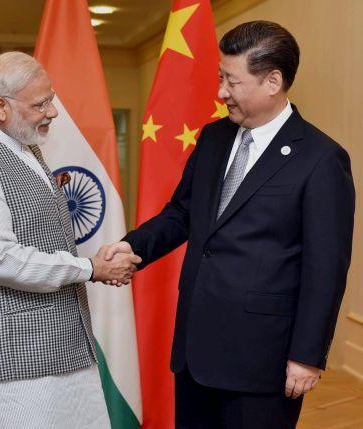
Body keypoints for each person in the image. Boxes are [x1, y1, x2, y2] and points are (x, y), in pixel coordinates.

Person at [104, 21, 355, 428]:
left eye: (231, 81)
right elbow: (182, 213)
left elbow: (326, 268)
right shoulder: (214, 137)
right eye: (221, 77)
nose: (221, 92)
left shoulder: (321, 160)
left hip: (262, 358)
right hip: (194, 349)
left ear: (272, 81)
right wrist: (132, 247)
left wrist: (306, 355)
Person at [0, 51, 141, 428]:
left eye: (51, 99)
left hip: (56, 346)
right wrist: (91, 268)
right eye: (41, 103)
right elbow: (2, 259)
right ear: (0, 107)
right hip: (4, 361)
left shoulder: (24, 147)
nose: (53, 111)